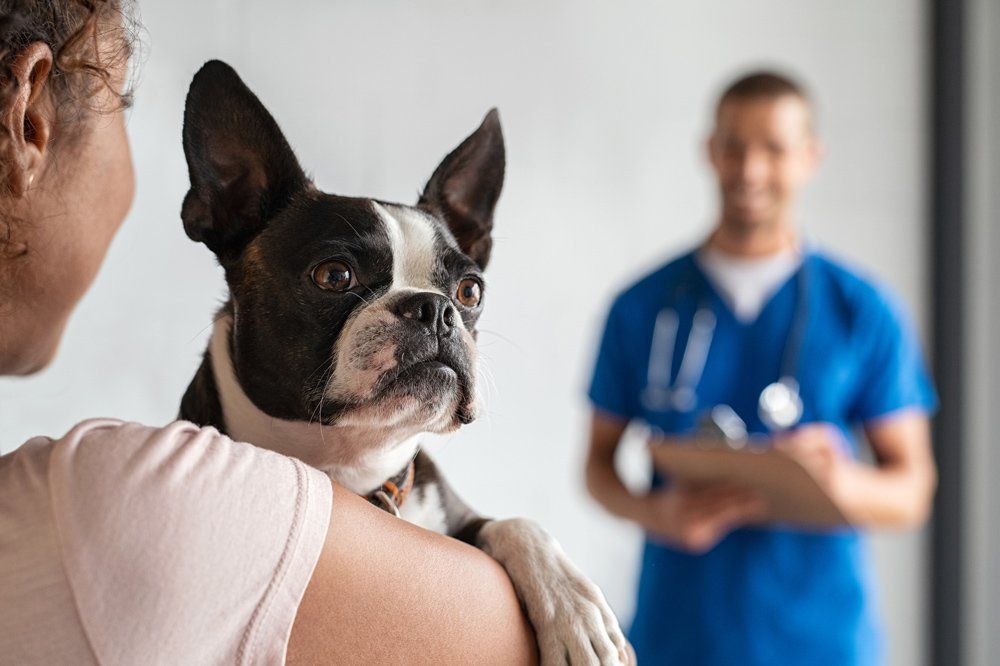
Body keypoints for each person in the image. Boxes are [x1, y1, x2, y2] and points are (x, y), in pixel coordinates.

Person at [0, 2, 537, 663]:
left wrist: (516, 539)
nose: (436, 315)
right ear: (30, 120)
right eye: (337, 276)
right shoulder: (153, 497)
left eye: (462, 292)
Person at [584, 71, 938, 665]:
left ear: (810, 158)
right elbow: (597, 466)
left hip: (820, 642)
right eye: (734, 146)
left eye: (773, 149)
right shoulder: (643, 306)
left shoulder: (861, 310)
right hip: (679, 636)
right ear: (710, 151)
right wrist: (656, 512)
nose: (750, 170)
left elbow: (913, 491)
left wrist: (837, 481)